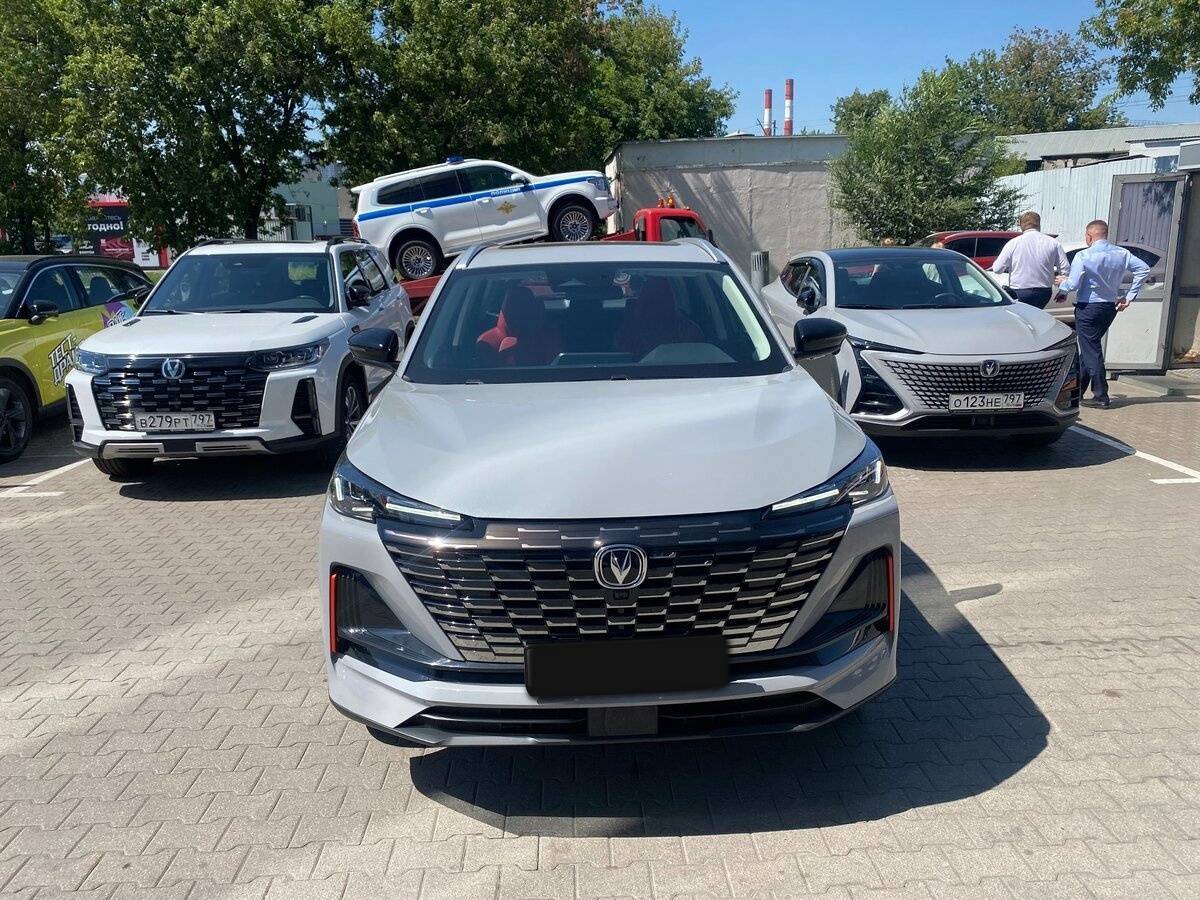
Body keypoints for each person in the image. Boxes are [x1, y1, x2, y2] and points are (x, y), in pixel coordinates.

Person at [1055, 219, 1150, 409]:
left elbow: (1073, 284)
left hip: (1088, 307)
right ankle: (1077, 391)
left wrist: (1061, 283)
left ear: (1089, 236)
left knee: (1091, 350)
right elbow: (1144, 269)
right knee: (1089, 348)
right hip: (1109, 307)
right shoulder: (1122, 253)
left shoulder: (1084, 255)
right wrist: (1129, 296)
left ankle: (1101, 395)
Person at [990, 211, 1068, 309]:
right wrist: (1063, 291)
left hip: (1020, 291)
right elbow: (1065, 269)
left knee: (1021, 316)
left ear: (1021, 225)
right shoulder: (1053, 243)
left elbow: (997, 269)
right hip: (1044, 292)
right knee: (1037, 315)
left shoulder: (1013, 243)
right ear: (1038, 224)